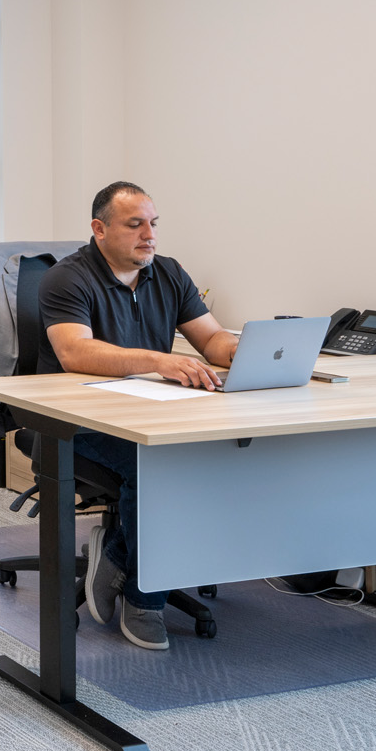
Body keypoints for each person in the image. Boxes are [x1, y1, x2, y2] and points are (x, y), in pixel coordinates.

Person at [36, 181, 238, 651]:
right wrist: (158, 360)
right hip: (76, 420)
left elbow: (211, 340)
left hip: (153, 413)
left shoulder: (168, 273)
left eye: (153, 224)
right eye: (135, 225)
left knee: (221, 455)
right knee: (159, 469)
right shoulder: (67, 278)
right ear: (99, 229)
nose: (149, 235)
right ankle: (145, 601)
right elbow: (73, 351)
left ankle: (116, 554)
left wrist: (247, 349)